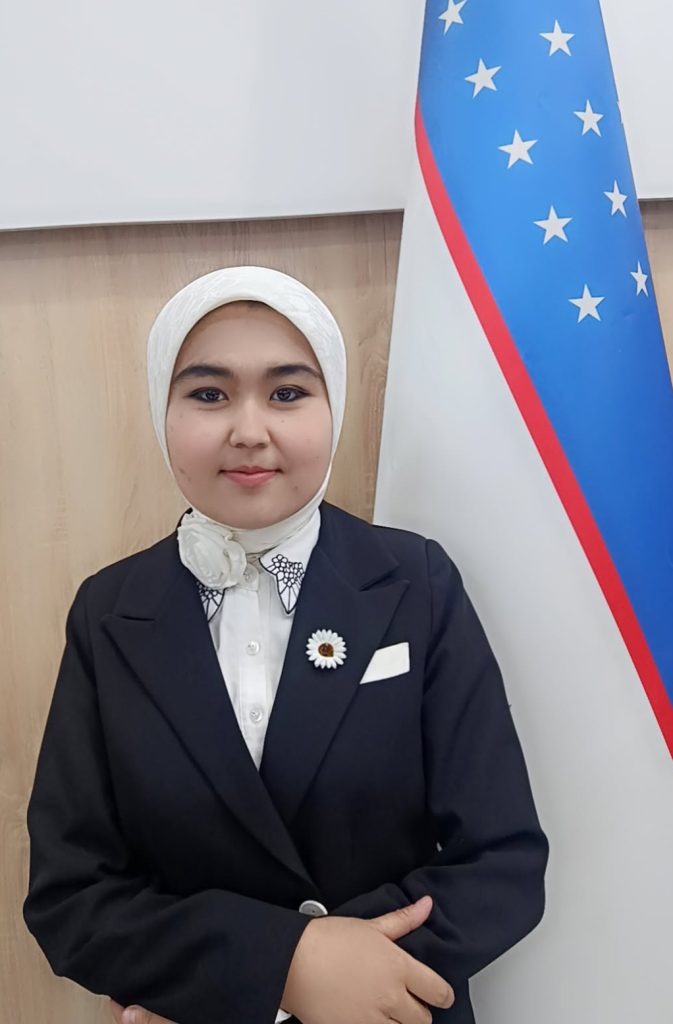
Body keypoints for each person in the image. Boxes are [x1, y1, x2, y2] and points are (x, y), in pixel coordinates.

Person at [23, 266, 549, 1024]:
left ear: (333, 403)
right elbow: (72, 895)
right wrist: (280, 970)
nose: (248, 429)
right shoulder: (109, 611)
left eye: (287, 392)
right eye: (207, 394)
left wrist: (347, 974)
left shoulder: (416, 581)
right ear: (159, 409)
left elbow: (502, 861)